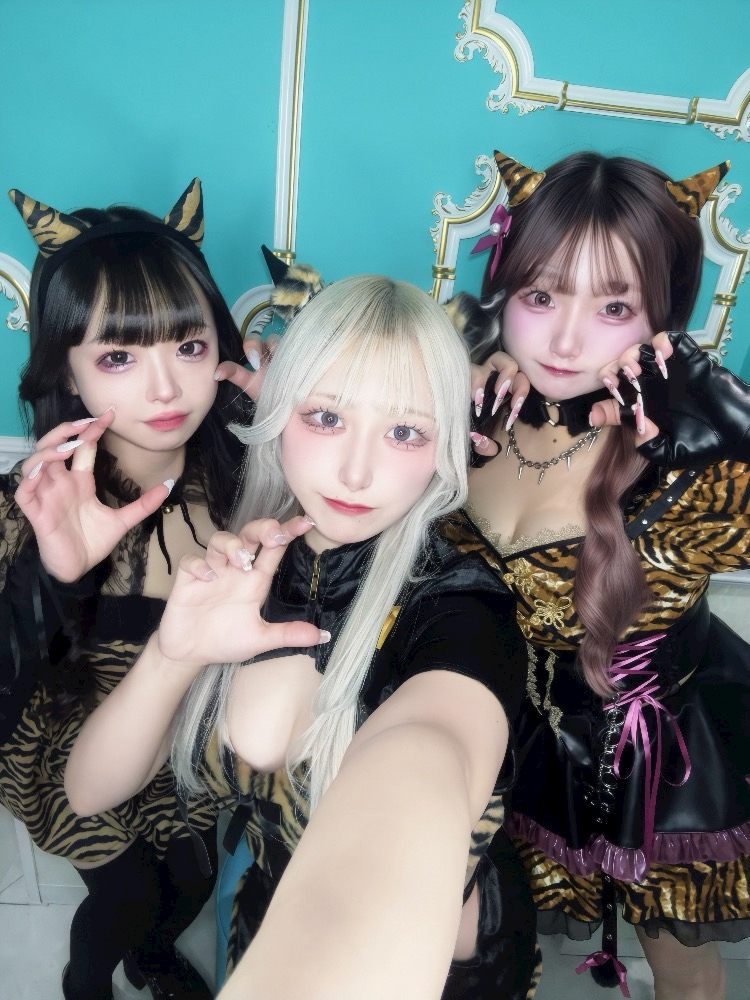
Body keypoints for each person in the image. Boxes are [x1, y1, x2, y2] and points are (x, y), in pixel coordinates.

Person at [65, 274, 540, 1000]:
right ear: (276, 411)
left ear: (444, 445)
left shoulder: (462, 611)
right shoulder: (242, 568)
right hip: (262, 916)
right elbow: (88, 793)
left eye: (405, 432)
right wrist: (174, 654)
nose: (357, 469)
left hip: (447, 972)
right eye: (325, 417)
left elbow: (423, 764)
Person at [444, 149, 750, 1000]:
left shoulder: (689, 460)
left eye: (614, 306)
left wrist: (739, 437)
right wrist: (445, 376)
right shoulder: (476, 410)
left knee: (682, 971)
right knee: (484, 944)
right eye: (541, 296)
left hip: (661, 760)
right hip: (508, 740)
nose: (567, 340)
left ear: (662, 318)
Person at [0, 180, 253, 1000]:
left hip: (184, 727)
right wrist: (53, 576)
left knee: (190, 878)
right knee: (127, 893)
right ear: (68, 370)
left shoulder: (248, 484)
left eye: (188, 346)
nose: (166, 390)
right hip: (71, 734)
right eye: (118, 357)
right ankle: (86, 983)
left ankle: (153, 959)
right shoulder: (33, 506)